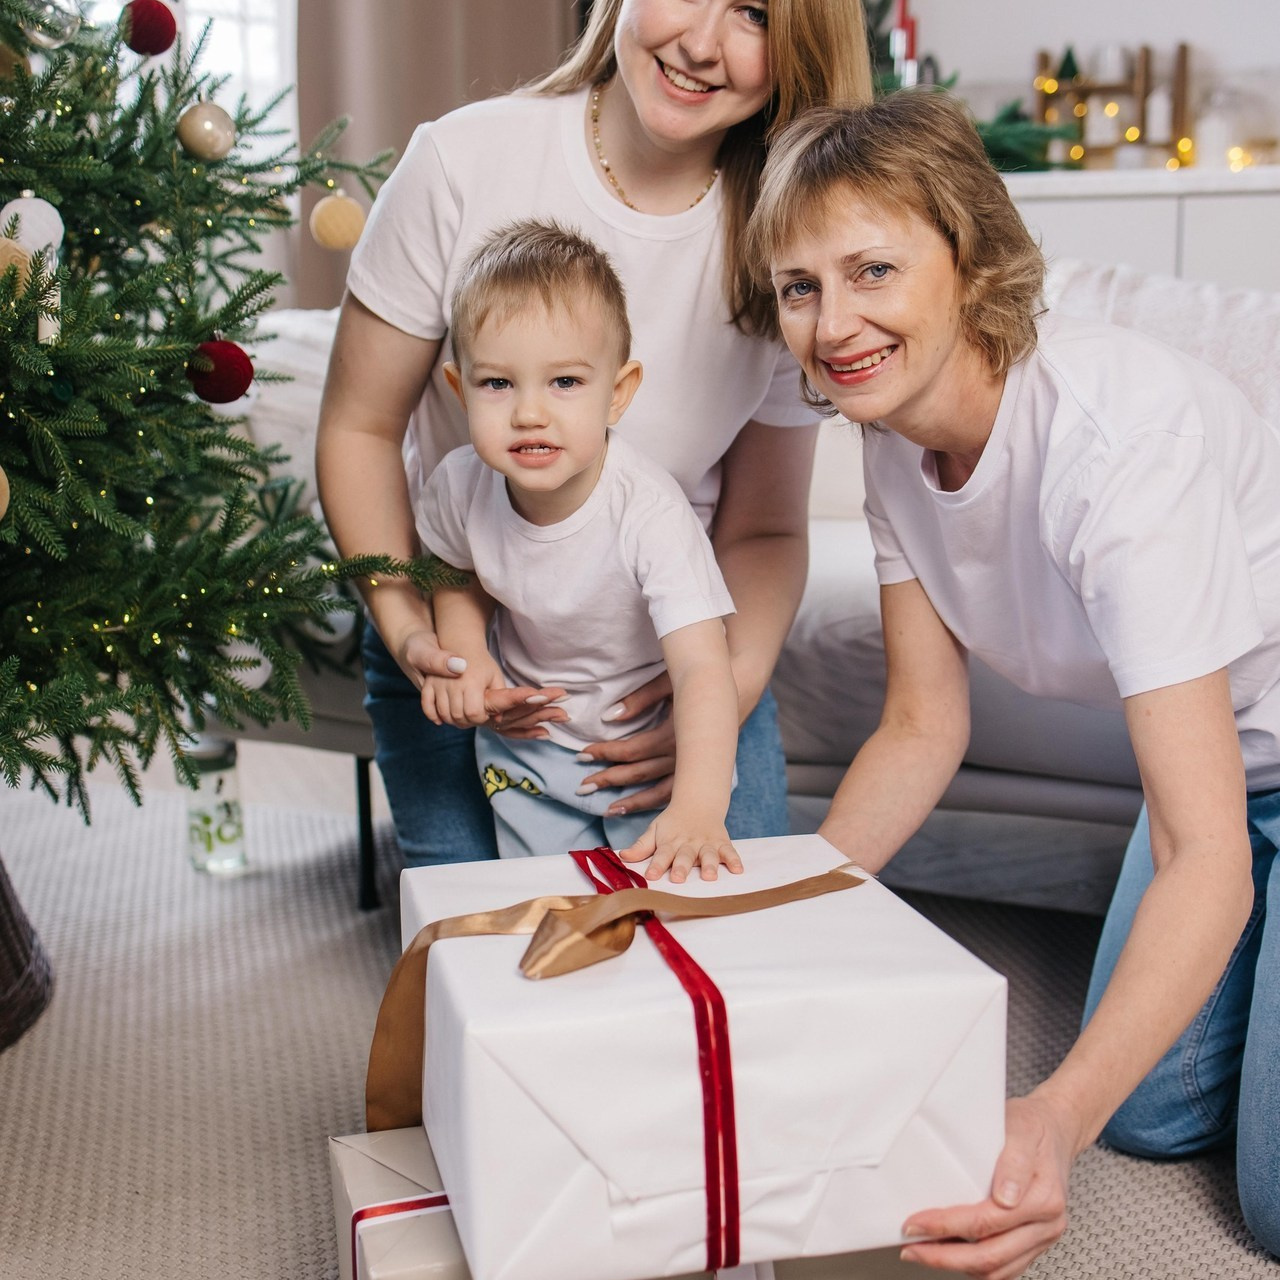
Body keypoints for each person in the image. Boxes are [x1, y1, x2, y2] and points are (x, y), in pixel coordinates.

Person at [746, 89, 1280, 1274]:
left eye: (872, 268)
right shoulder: (890, 442)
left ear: (969, 254)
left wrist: (1046, 1114)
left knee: (1267, 1189)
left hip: (1226, 797)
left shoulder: (1112, 439)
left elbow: (1205, 858)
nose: (834, 322)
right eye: (800, 286)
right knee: (1142, 1116)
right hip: (1217, 775)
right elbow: (918, 727)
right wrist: (785, 909)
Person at [314, 0, 873, 868]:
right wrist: (418, 639)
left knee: (730, 948)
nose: (700, 43)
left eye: (754, 14)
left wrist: (718, 691)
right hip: (456, 631)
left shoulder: (785, 237)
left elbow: (764, 526)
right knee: (490, 960)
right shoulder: (461, 161)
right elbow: (358, 427)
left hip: (680, 653)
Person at [418, 219, 741, 883]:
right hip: (529, 746)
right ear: (460, 389)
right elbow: (452, 567)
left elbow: (705, 670)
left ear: (617, 394)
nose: (529, 413)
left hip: (651, 746)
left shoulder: (648, 512)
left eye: (564, 383)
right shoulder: (458, 484)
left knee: (669, 902)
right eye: (498, 384)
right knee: (556, 906)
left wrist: (700, 807)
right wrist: (468, 655)